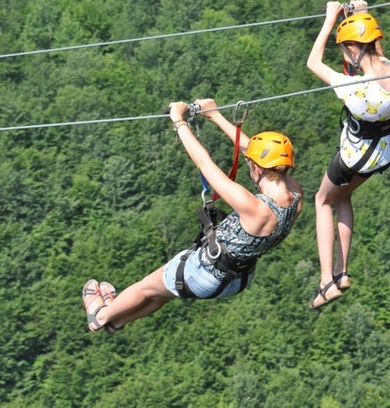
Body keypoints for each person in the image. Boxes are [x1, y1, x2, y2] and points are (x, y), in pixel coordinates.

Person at [82, 99, 303, 332]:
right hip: (238, 278)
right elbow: (256, 152)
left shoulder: (253, 207)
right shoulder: (296, 198)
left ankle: (101, 316)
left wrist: (178, 120)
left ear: (257, 169)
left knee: (144, 289)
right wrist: (215, 116)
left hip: (206, 271)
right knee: (163, 294)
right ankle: (118, 321)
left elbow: (203, 162)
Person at [306, 0, 390, 309]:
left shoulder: (353, 87)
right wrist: (358, 17)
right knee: (344, 197)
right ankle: (343, 271)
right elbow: (379, 58)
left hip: (353, 155)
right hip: (381, 153)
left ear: (353, 49)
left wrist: (330, 20)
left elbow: (313, 62)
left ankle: (326, 281)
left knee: (323, 201)